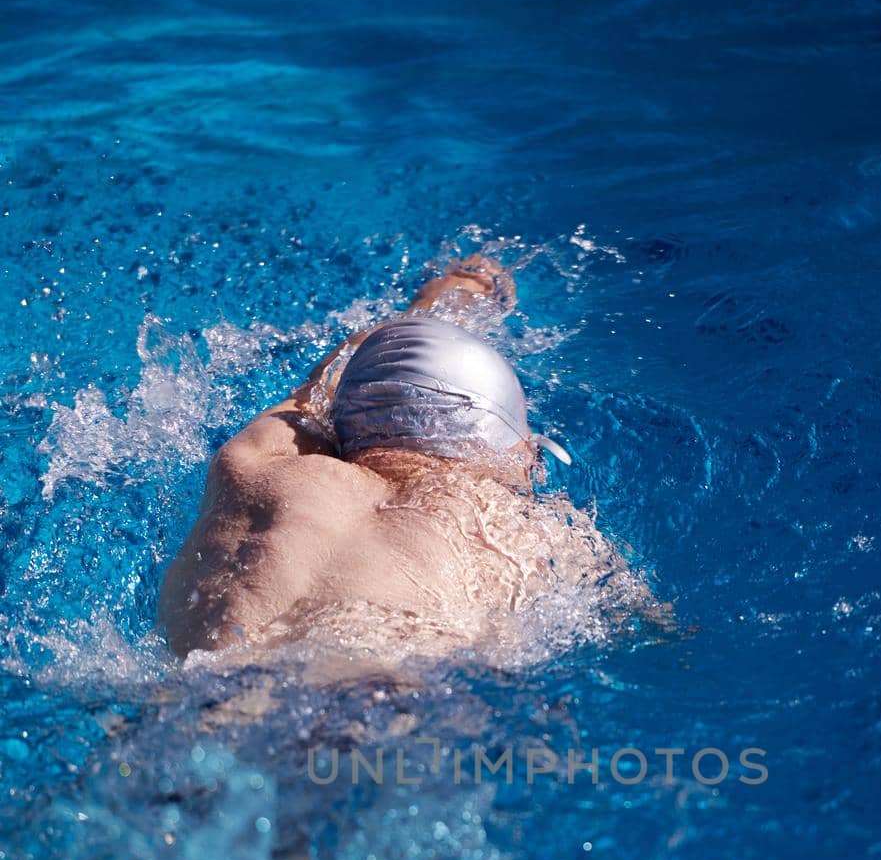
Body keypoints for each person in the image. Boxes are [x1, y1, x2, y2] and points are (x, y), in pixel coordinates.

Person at [159, 255, 647, 661]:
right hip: (377, 706)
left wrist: (429, 304)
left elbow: (316, 389)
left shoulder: (252, 464)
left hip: (203, 697)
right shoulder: (531, 532)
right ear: (518, 450)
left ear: (343, 422)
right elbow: (636, 619)